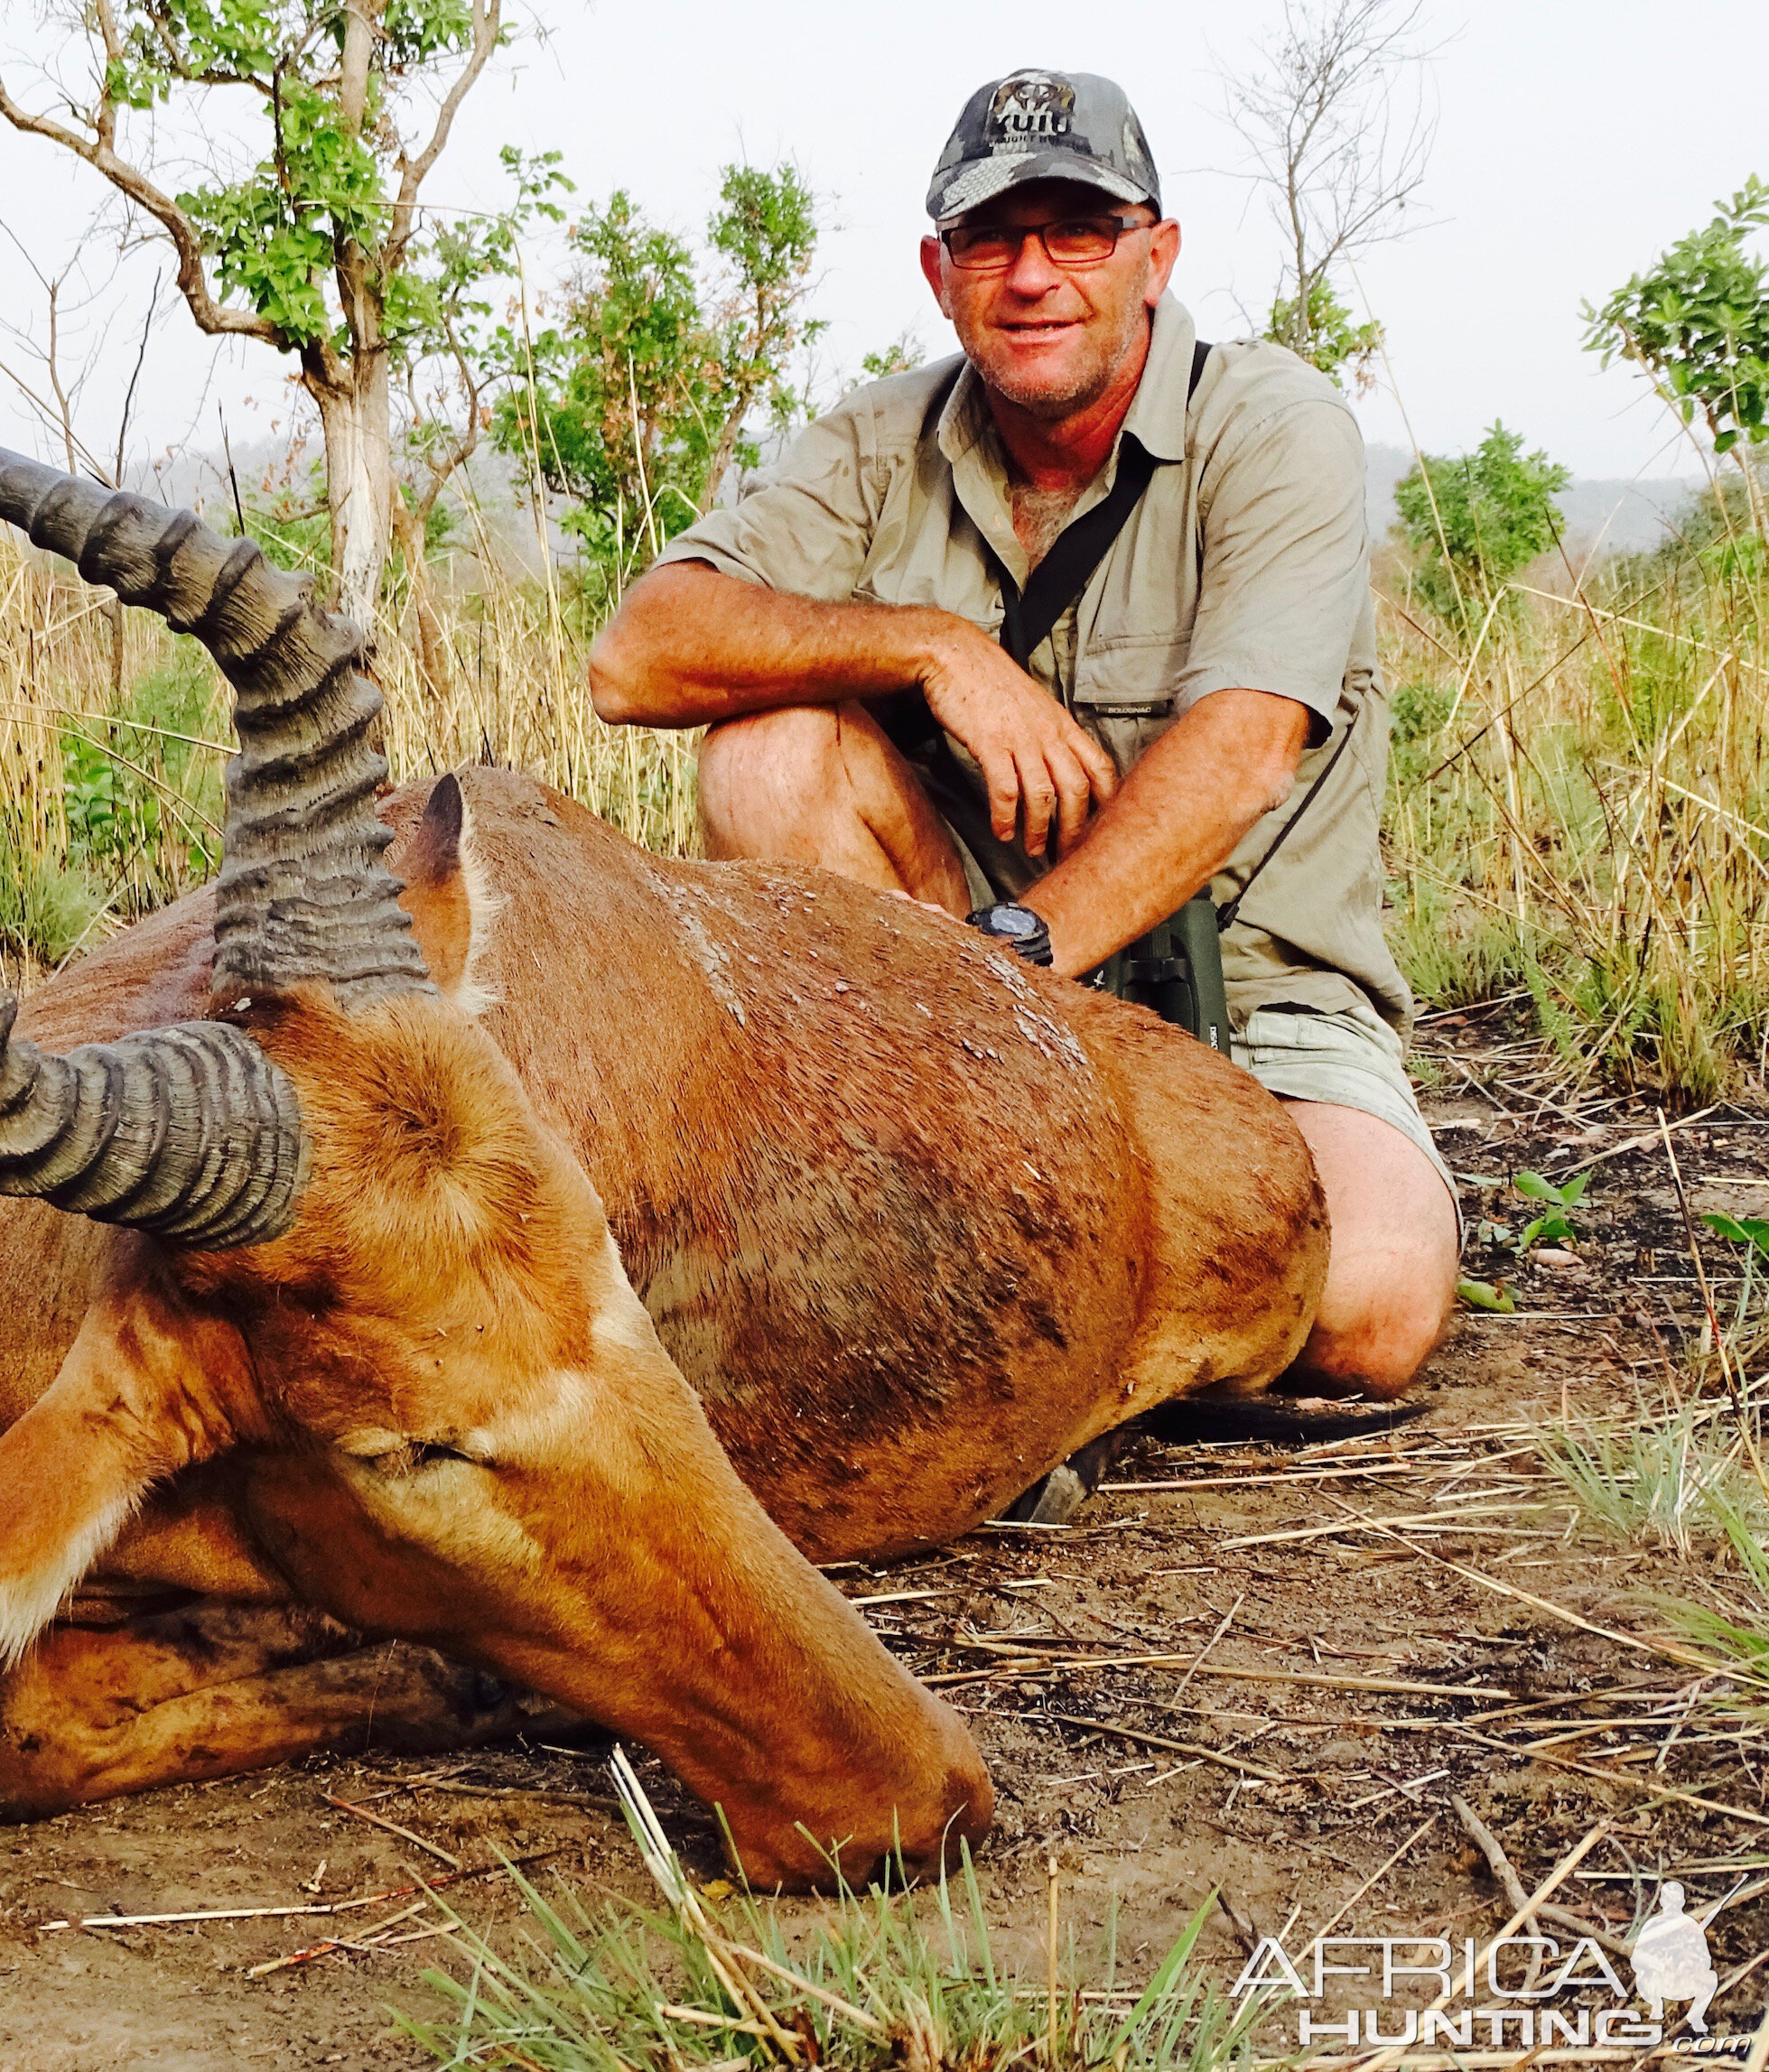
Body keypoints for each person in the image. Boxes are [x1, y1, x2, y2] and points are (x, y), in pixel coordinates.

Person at [586, 68, 1455, 1398]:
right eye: (993, 239)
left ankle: (983, 1298)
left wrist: (1026, 955)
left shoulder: (1274, 425)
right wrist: (930, 649)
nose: (1033, 275)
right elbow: (634, 655)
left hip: (1258, 1006)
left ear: (1155, 256)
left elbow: (1249, 746)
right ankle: (993, 1264)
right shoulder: (878, 437)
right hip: (944, 1024)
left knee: (1369, 1307)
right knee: (767, 754)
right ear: (941, 273)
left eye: (1078, 233)